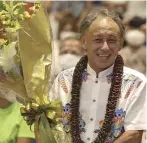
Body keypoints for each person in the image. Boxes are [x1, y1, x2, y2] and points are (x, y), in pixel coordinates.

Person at [49, 9, 147, 143]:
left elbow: (134, 134)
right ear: (83, 42)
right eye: (98, 40)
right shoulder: (64, 80)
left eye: (112, 40)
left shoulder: (136, 82)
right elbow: (50, 125)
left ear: (120, 43)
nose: (105, 47)